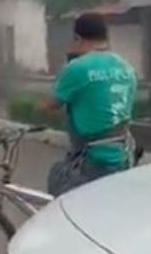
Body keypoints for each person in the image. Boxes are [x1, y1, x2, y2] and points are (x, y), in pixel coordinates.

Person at [41, 13, 138, 196]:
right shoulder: (126, 67)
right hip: (124, 158)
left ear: (77, 38)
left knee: (57, 175)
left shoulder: (77, 68)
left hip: (92, 161)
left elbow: (49, 106)